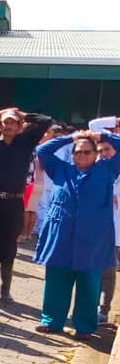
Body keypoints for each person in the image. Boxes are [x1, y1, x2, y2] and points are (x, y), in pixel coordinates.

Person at [34, 130, 120, 339]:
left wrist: (102, 136)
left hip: (92, 239)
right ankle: (51, 321)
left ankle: (84, 326)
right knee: (56, 280)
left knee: (89, 284)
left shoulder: (107, 169)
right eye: (77, 152)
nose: (81, 156)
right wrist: (70, 138)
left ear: (96, 154)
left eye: (87, 152)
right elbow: (42, 150)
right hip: (61, 236)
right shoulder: (61, 169)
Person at [0, 108, 53, 302]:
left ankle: (5, 290)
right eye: (5, 122)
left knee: (8, 244)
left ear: (19, 126)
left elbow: (46, 120)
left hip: (13, 202)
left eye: (12, 123)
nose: (8, 126)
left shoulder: (26, 142)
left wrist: (22, 115)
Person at [96, 135, 120, 323]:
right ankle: (91, 306)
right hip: (96, 229)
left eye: (107, 150)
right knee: (93, 270)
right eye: (100, 151)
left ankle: (104, 310)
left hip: (115, 232)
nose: (104, 154)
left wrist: (115, 123)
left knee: (108, 271)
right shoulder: (96, 171)